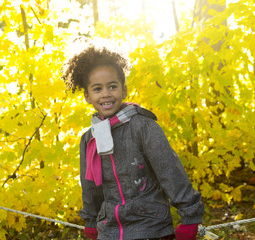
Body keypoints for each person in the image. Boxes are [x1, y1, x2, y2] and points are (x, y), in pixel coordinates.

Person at [62, 45, 204, 240]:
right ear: (87, 96)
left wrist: (190, 218)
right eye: (97, 89)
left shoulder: (143, 127)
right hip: (109, 231)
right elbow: (90, 187)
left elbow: (171, 173)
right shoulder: (89, 139)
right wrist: (91, 221)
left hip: (151, 228)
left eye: (112, 86)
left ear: (124, 89)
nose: (106, 94)